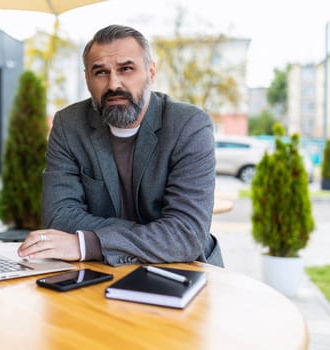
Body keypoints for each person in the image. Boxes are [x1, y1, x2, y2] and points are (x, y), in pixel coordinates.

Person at [17, 24, 223, 267]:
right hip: (98, 270)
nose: (114, 84)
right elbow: (59, 217)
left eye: (126, 69)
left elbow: (186, 236)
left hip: (181, 269)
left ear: (151, 72)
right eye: (101, 72)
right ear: (87, 79)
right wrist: (155, 233)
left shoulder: (188, 125)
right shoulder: (69, 125)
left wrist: (87, 243)